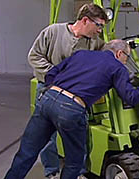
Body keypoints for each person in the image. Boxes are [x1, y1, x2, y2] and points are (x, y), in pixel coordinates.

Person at [4, 39, 139, 179]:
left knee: (26, 153)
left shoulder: (81, 54)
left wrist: (56, 91)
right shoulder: (117, 67)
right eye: (126, 58)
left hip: (47, 100)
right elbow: (132, 98)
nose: (125, 62)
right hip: (70, 109)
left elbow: (51, 73)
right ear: (119, 53)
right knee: (74, 162)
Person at [27, 3, 108, 178]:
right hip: (48, 90)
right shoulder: (53, 32)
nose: (100, 30)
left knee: (80, 136)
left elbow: (105, 59)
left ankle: (78, 172)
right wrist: (55, 75)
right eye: (99, 25)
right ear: (85, 20)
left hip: (76, 96)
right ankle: (51, 171)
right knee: (47, 137)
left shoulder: (95, 42)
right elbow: (34, 56)